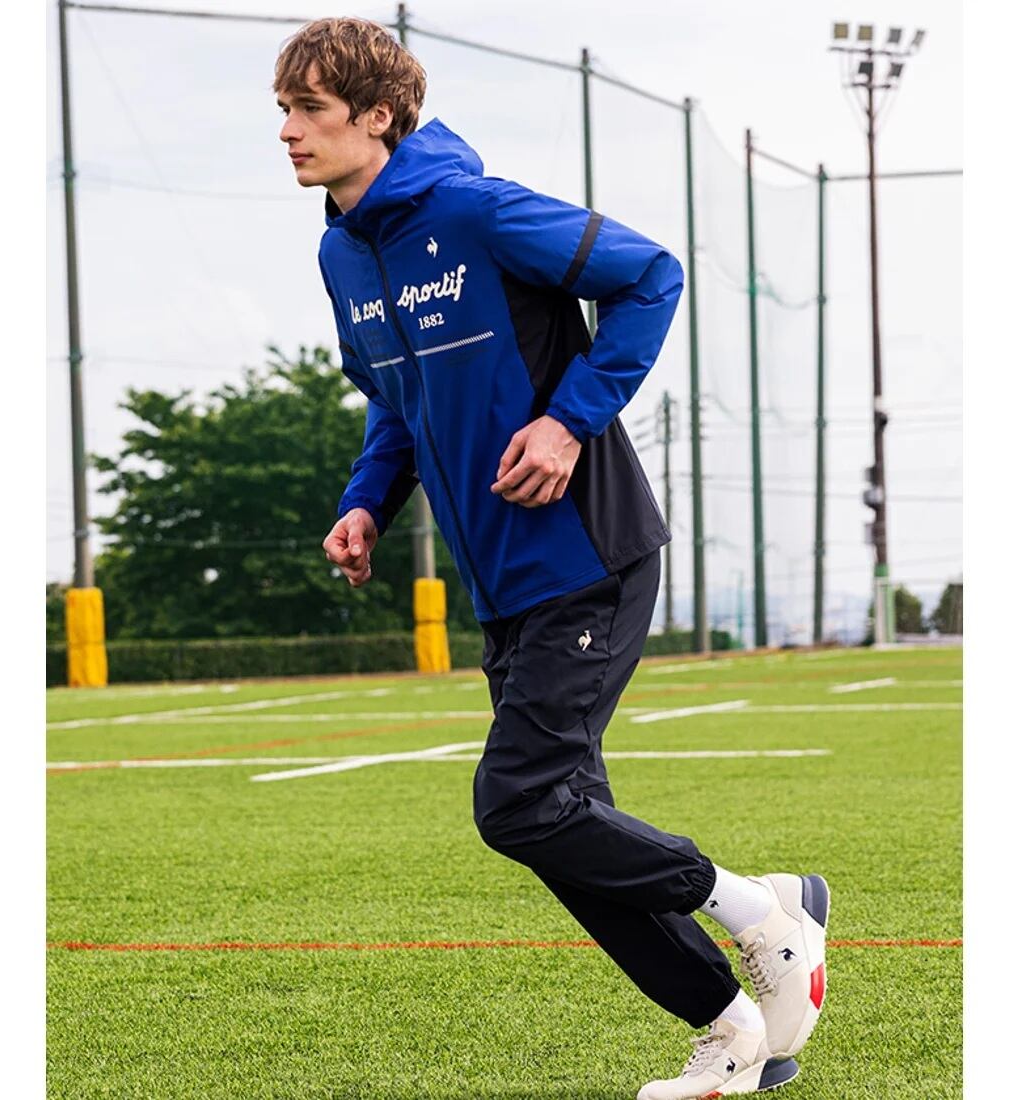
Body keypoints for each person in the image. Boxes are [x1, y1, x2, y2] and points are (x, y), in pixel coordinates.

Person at [275, 17, 829, 1099]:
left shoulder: (478, 212)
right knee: (563, 824)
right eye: (284, 111)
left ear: (377, 117)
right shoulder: (342, 253)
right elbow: (397, 397)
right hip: (502, 584)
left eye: (311, 110)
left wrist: (569, 422)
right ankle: (727, 1027)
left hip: (588, 555)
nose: (289, 131)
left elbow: (650, 275)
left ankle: (762, 911)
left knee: (519, 803)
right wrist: (366, 502)